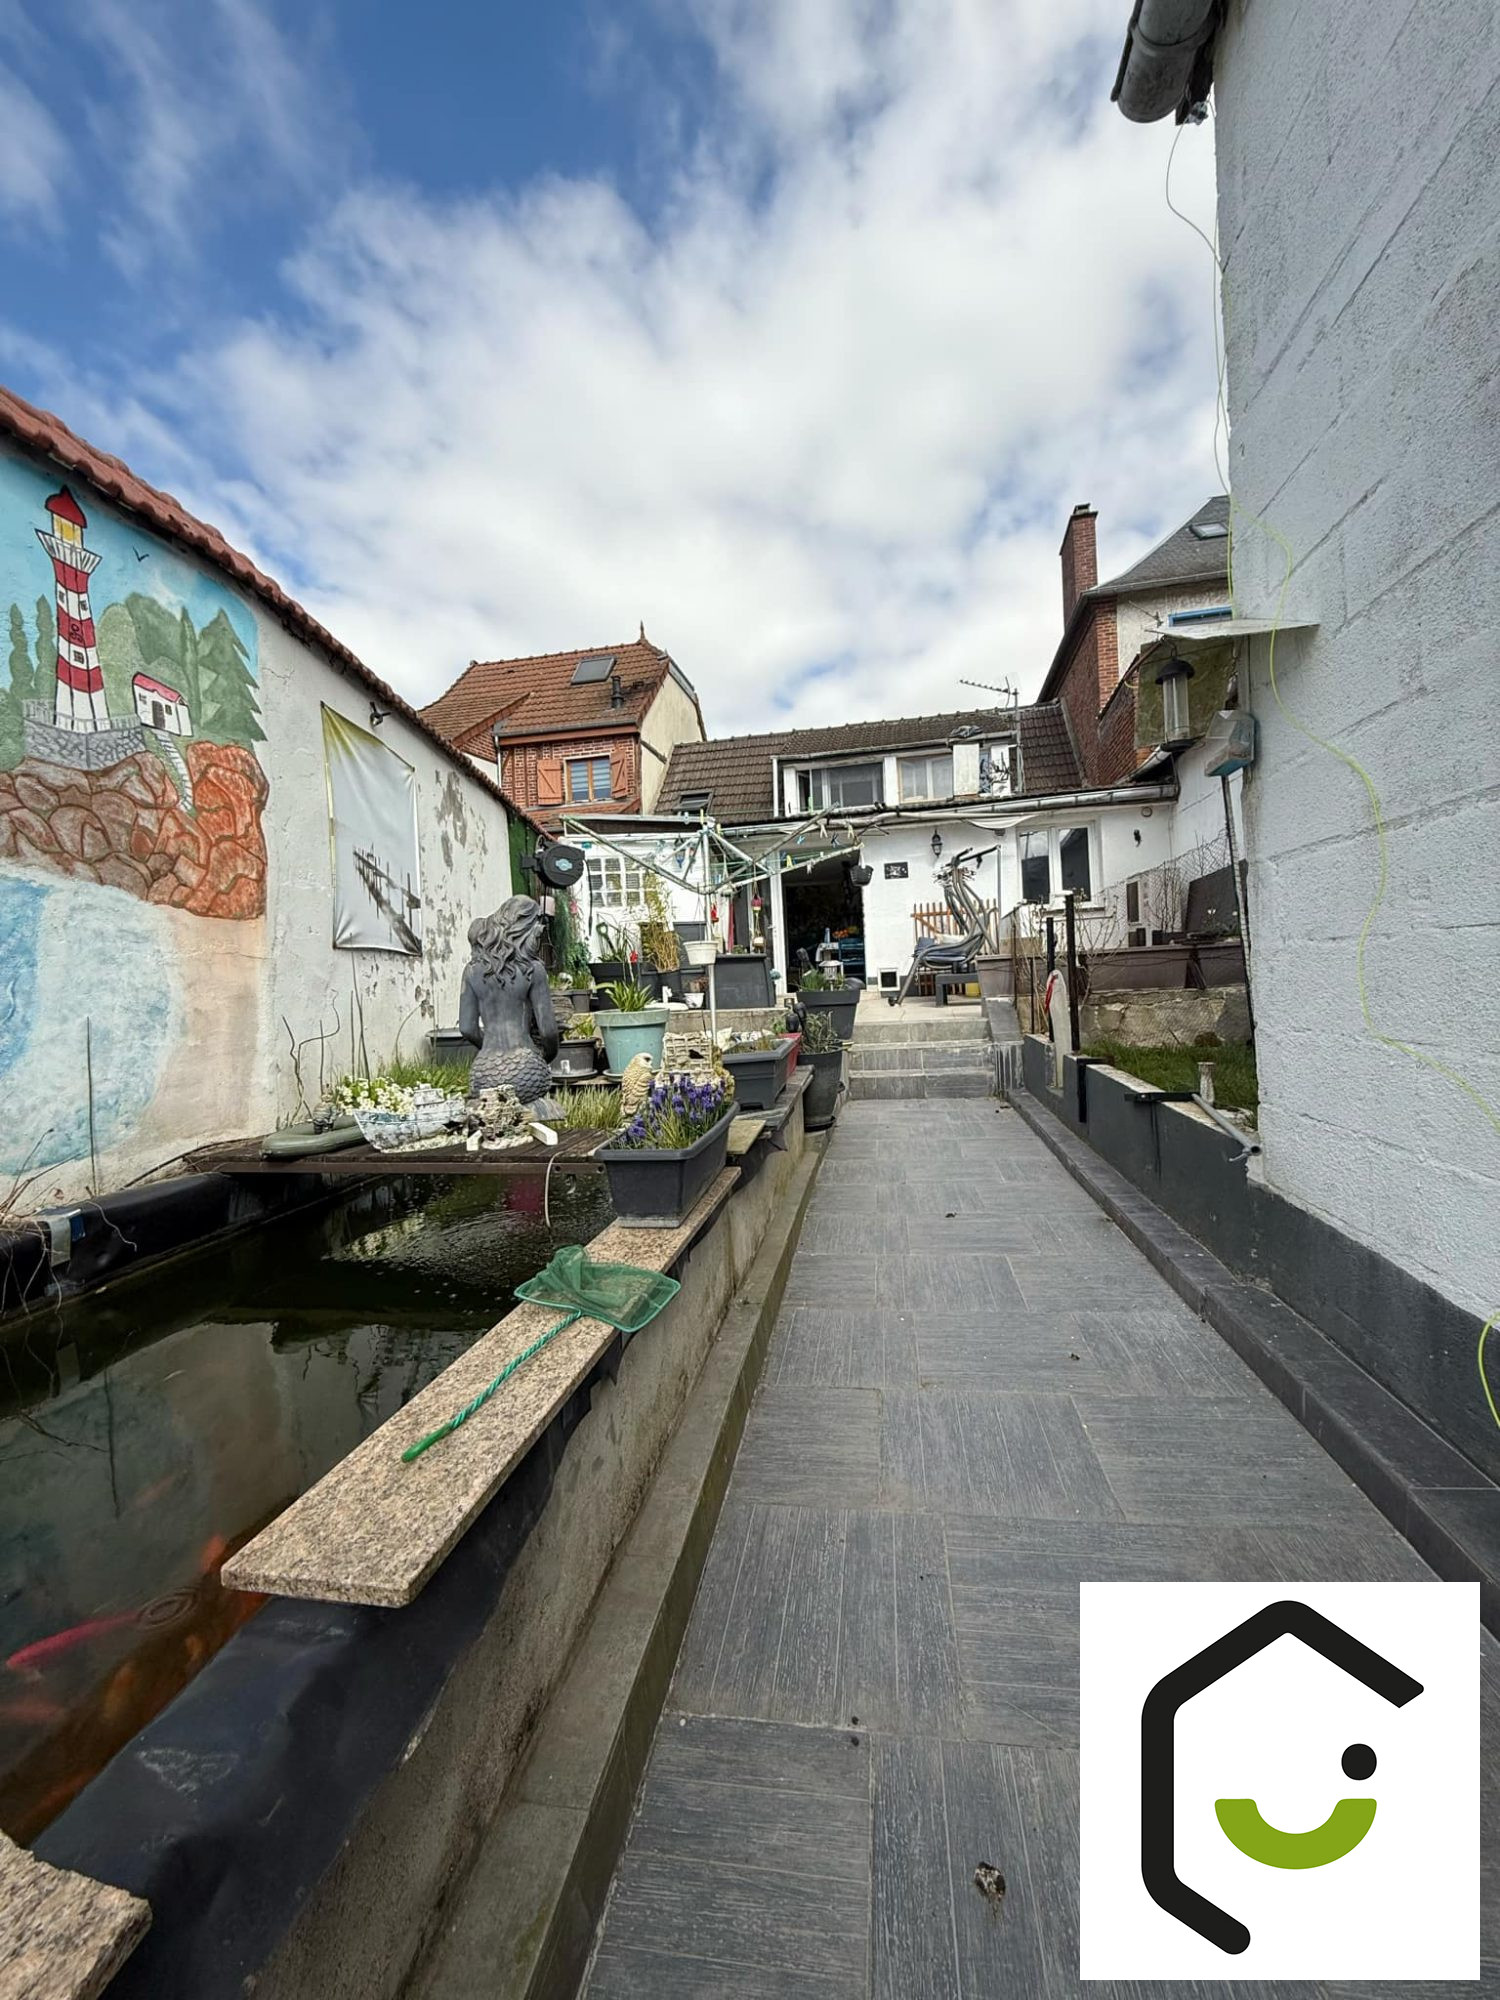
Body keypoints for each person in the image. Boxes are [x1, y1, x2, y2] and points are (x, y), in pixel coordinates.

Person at [458, 896, 560, 1105]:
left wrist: (489, 1049)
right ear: (525, 928)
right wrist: (546, 1057)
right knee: (534, 1117)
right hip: (525, 1069)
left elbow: (467, 1028)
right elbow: (548, 1031)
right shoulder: (533, 970)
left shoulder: (472, 970)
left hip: (484, 1073)